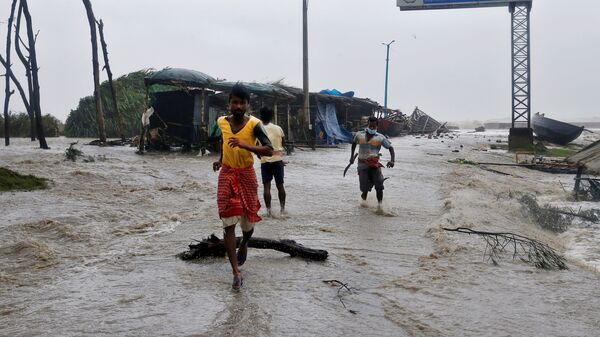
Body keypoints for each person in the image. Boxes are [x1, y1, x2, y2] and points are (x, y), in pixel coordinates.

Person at [213, 84, 273, 290]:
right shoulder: (221, 121)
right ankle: (235, 272)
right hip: (227, 174)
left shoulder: (255, 124)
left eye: (242, 102)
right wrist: (220, 160)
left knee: (248, 226)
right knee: (228, 223)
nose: (238, 106)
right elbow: (224, 142)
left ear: (247, 104)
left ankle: (245, 242)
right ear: (229, 103)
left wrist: (245, 145)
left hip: (247, 175)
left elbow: (269, 150)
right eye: (234, 102)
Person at [349, 116, 395, 211]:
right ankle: (363, 207)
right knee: (364, 189)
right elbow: (354, 143)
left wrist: (392, 160)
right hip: (362, 164)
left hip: (374, 164)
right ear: (368, 125)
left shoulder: (380, 137)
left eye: (374, 127)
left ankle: (380, 207)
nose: (372, 128)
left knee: (379, 185)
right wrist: (351, 157)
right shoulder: (359, 135)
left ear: (377, 126)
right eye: (370, 126)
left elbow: (391, 148)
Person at [258, 107, 287, 217]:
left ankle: (269, 212)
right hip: (278, 161)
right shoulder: (278, 128)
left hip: (265, 161)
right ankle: (282, 210)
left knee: (266, 187)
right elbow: (283, 144)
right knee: (280, 186)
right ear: (272, 117)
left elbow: (257, 147)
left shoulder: (259, 129)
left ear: (261, 117)